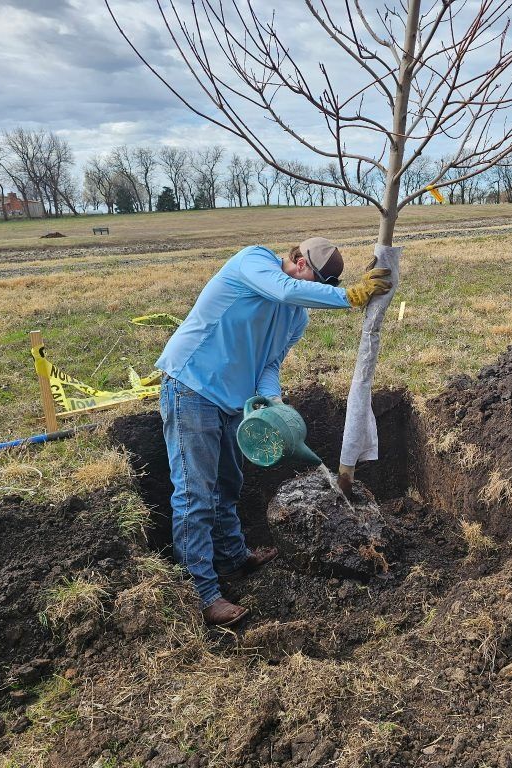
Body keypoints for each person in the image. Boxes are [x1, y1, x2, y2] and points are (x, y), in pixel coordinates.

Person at [156, 237, 392, 626]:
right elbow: (285, 289)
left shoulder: (296, 317)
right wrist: (351, 297)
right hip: (191, 385)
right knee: (195, 493)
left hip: (235, 400)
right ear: (298, 261)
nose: (314, 293)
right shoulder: (254, 262)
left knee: (229, 484)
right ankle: (203, 593)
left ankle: (234, 557)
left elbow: (269, 364)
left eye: (326, 288)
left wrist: (273, 401)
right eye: (314, 280)